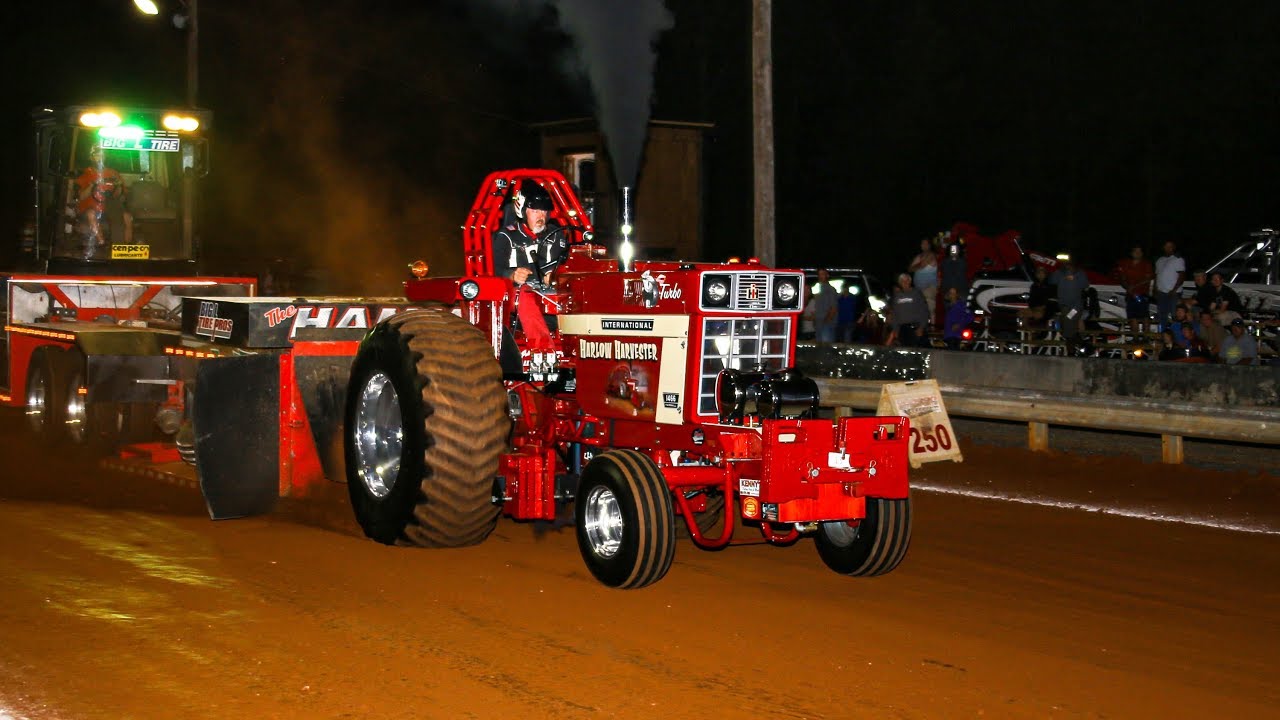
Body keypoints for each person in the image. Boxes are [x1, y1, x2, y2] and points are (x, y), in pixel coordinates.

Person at [491, 182, 568, 351]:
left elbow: (568, 264)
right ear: (522, 210)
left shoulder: (556, 235)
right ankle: (544, 350)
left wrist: (557, 275)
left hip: (550, 294)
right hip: (515, 293)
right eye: (535, 211)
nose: (541, 215)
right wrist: (511, 276)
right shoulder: (507, 236)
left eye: (544, 211)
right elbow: (493, 271)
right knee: (524, 293)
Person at [76, 145, 133, 247]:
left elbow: (120, 195)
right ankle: (101, 243)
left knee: (127, 216)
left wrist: (119, 185)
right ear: (92, 157)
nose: (99, 157)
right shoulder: (86, 173)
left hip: (109, 207)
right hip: (91, 207)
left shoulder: (113, 173)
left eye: (102, 155)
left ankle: (126, 246)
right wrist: (92, 185)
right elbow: (81, 197)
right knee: (91, 213)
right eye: (96, 155)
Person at [1113, 245, 1153, 337]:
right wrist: (1129, 288)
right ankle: (1135, 337)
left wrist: (1134, 287)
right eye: (1135, 251)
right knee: (1132, 317)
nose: (1137, 253)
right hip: (1130, 294)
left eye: (1139, 251)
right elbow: (1122, 279)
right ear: (1131, 253)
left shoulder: (1146, 264)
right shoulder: (1125, 264)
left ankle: (1146, 337)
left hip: (1142, 294)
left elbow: (1148, 279)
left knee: (1145, 316)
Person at [1049, 260, 1090, 340]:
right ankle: (1071, 338)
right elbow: (1051, 281)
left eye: (1070, 264)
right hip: (1063, 305)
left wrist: (1075, 279)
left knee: (1069, 318)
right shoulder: (1059, 273)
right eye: (1066, 264)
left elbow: (1085, 285)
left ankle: (1069, 339)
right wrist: (1056, 272)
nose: (1068, 266)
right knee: (1065, 320)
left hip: (1076, 306)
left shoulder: (1080, 273)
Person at [887, 273, 930, 347]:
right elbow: (894, 314)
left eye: (907, 280)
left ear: (910, 281)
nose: (905, 283)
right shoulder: (897, 296)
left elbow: (924, 311)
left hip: (915, 327)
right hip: (902, 329)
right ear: (900, 283)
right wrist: (895, 330)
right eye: (902, 281)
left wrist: (921, 327)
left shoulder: (917, 293)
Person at [1152, 240, 1186, 330]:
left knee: (1176, 315)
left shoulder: (1178, 259)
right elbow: (1156, 275)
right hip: (1161, 292)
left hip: (1174, 293)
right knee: (1161, 315)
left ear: (1173, 248)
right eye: (1166, 246)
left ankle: (1177, 336)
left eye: (1170, 246)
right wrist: (1154, 288)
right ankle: (1163, 335)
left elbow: (1181, 275)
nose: (1168, 248)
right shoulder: (1159, 260)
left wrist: (1174, 290)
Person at [908, 237, 939, 325]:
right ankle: (921, 326)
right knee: (919, 308)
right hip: (919, 287)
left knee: (931, 307)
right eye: (922, 244)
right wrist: (920, 265)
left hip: (930, 286)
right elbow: (910, 269)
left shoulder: (935, 256)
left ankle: (933, 326)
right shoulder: (919, 257)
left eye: (926, 244)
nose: (924, 246)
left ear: (929, 245)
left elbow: (940, 270)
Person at [809, 269, 839, 343]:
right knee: (819, 344)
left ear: (827, 275)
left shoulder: (830, 290)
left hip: (826, 323)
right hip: (819, 322)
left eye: (823, 274)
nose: (820, 276)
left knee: (826, 345)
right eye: (819, 274)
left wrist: (827, 321)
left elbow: (834, 307)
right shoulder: (818, 289)